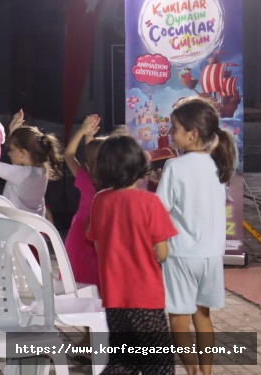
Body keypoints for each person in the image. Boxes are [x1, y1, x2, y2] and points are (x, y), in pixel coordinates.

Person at [156, 97, 236, 375]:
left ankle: (192, 373)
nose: (170, 132)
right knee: (203, 317)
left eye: (174, 128)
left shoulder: (175, 167)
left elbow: (159, 209)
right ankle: (206, 373)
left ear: (192, 134)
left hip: (181, 255)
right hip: (211, 256)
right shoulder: (219, 166)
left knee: (178, 322)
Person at [87, 134, 177, 374]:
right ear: (139, 165)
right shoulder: (150, 203)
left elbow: (98, 246)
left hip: (114, 297)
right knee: (158, 364)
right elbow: (162, 252)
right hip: (146, 297)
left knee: (123, 360)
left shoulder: (99, 201)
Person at [0, 115, 63, 217]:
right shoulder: (43, 170)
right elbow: (18, 168)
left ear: (23, 153)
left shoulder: (21, 174)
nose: (9, 153)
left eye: (11, 149)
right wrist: (14, 131)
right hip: (32, 226)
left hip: (14, 226)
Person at [63, 114, 102, 288]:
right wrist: (89, 138)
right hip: (102, 237)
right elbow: (95, 159)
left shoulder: (85, 179)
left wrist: (82, 132)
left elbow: (69, 155)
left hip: (79, 233)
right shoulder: (115, 185)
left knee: (76, 281)